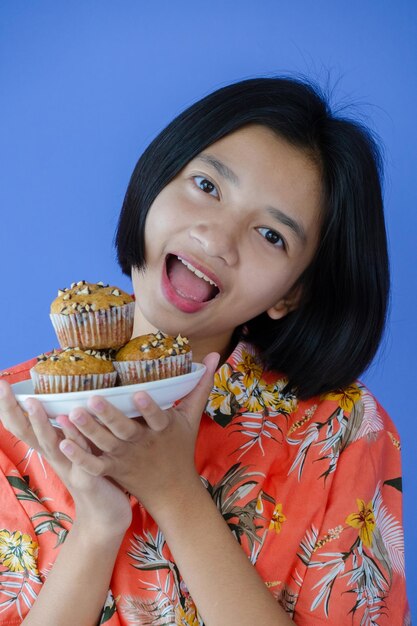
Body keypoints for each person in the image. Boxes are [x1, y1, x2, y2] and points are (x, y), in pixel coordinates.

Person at [0, 77, 409, 625]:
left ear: (290, 292)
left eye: (271, 236)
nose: (216, 239)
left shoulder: (341, 433)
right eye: (207, 186)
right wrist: (97, 527)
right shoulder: (15, 418)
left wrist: (175, 495)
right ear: (155, 180)